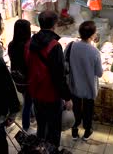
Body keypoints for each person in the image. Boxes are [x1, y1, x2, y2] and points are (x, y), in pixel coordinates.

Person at [26, 11, 72, 147]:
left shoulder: (31, 41)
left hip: (36, 92)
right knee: (53, 130)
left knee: (41, 126)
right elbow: (59, 75)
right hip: (51, 94)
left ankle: (40, 149)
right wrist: (67, 97)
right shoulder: (54, 46)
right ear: (55, 25)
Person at [65, 21, 103, 141]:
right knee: (88, 110)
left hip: (74, 86)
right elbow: (99, 73)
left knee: (75, 108)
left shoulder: (71, 46)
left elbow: (64, 64)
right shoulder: (95, 52)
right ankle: (87, 132)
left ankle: (74, 131)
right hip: (89, 88)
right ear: (92, 36)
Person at [8, 19, 34, 133]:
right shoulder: (28, 45)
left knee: (26, 99)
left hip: (16, 77)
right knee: (27, 104)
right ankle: (26, 127)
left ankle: (31, 117)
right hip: (27, 79)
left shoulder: (11, 44)